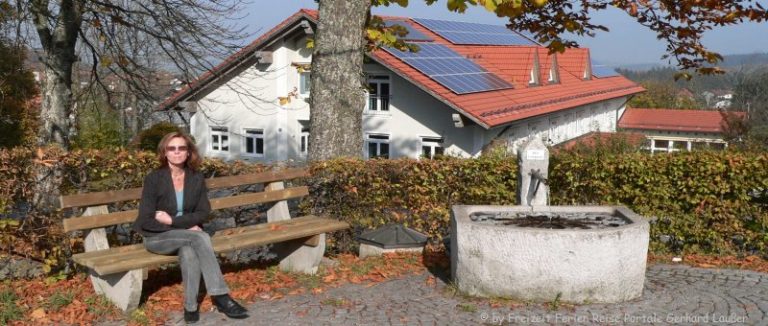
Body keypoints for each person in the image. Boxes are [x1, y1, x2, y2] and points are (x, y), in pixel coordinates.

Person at [133, 132, 248, 323]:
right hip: (157, 237)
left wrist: (172, 221)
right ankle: (221, 296)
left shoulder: (196, 177)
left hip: (186, 237)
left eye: (182, 148)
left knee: (189, 252)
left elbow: (203, 212)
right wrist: (180, 226)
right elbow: (145, 220)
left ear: (188, 152)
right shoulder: (154, 179)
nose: (177, 152)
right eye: (172, 148)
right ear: (164, 152)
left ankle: (190, 306)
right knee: (200, 237)